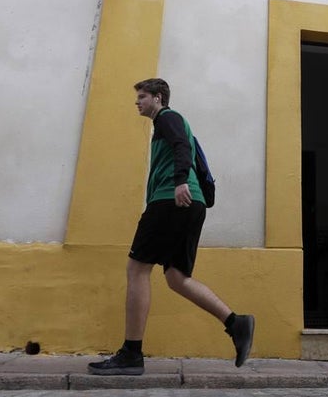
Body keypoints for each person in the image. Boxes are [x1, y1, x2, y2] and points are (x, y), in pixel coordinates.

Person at [88, 78, 254, 376]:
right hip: (191, 205)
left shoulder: (168, 117)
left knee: (137, 268)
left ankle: (131, 353)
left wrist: (179, 181)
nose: (137, 102)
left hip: (171, 200)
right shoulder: (167, 122)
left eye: (142, 96)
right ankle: (236, 323)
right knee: (177, 277)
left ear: (158, 97)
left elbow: (181, 147)